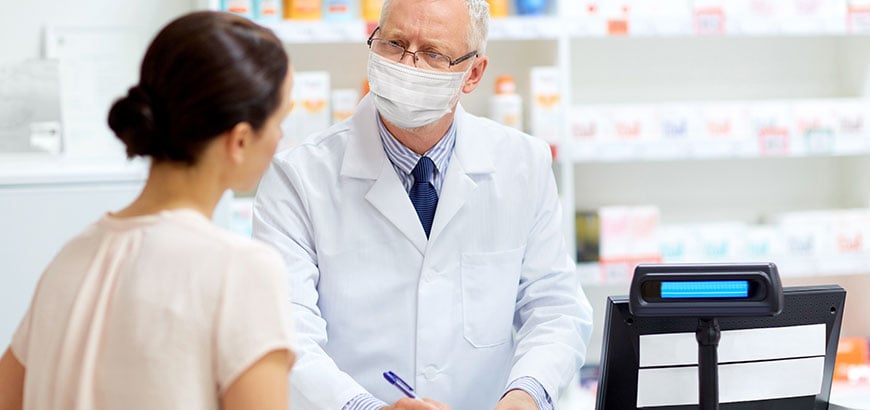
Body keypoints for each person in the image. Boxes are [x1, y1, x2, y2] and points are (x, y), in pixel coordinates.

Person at [252, 0, 593, 408]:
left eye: (433, 53)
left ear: (474, 73)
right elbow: (287, 329)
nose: (407, 65)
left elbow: (554, 308)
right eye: (394, 43)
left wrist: (526, 394)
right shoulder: (297, 176)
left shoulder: (523, 164)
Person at [0, 11, 295, 410]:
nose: (281, 138)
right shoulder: (241, 271)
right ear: (240, 140)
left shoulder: (72, 258)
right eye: (280, 121)